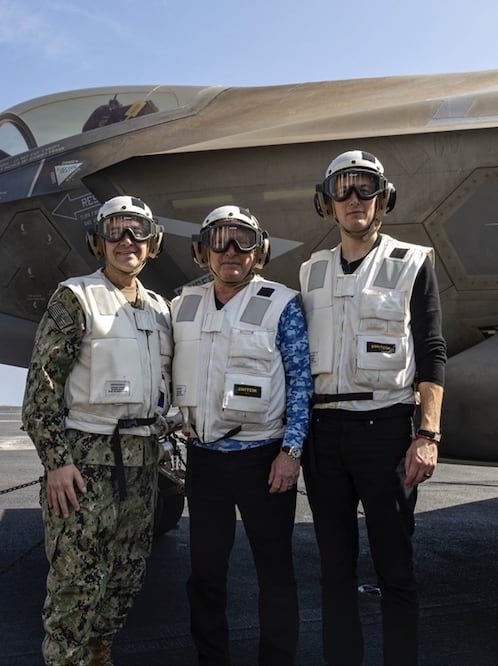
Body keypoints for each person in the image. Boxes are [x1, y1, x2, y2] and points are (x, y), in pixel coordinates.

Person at [299, 150, 447, 666]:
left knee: (395, 570)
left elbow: (432, 350)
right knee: (335, 572)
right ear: (328, 201)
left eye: (366, 188)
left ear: (383, 199)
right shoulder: (310, 271)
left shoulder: (412, 263)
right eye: (344, 188)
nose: (355, 199)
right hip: (325, 435)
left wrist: (426, 435)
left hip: (385, 430)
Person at [21, 195, 173, 666]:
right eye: (115, 231)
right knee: (77, 583)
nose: (126, 241)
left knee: (126, 576)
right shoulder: (76, 297)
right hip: (86, 463)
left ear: (152, 243)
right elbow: (41, 389)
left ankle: (99, 653)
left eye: (137, 231)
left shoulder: (160, 309)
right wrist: (57, 463)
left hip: (143, 464)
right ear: (98, 241)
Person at [172, 205, 312, 665]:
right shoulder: (182, 306)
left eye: (243, 240)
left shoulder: (281, 303)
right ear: (203, 250)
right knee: (205, 575)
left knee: (274, 574)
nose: (232, 251)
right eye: (220, 240)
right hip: (205, 461)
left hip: (263, 460)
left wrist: (291, 452)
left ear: (260, 251)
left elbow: (301, 383)